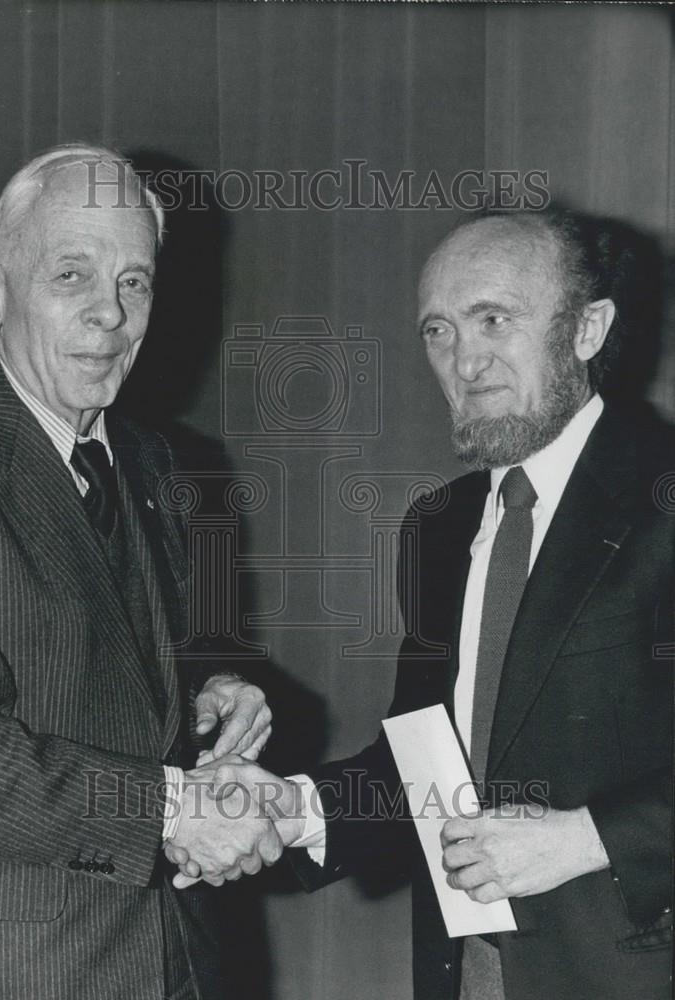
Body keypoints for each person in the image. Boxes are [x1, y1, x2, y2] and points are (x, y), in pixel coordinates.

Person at [170, 211, 674, 999]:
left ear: (587, 329)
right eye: (437, 331)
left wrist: (584, 839)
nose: (464, 360)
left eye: (493, 320)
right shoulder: (438, 529)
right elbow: (427, 767)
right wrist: (289, 806)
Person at [0, 144, 279, 1000]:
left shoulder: (155, 464)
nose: (110, 316)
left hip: (178, 961)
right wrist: (173, 807)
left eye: (135, 281)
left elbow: (109, 677)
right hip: (12, 973)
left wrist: (207, 696)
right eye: (71, 275)